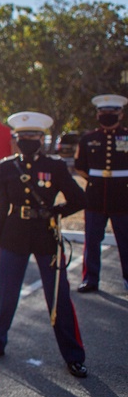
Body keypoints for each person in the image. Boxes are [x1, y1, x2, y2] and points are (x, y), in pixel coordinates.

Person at [0, 111, 88, 377]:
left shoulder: (55, 166)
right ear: (16, 138)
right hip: (13, 235)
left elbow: (78, 199)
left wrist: (55, 213)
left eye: (33, 136)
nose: (28, 140)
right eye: (23, 137)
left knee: (59, 296)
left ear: (42, 139)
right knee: (5, 293)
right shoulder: (7, 166)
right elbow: (1, 206)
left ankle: (74, 355)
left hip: (46, 235)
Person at [74, 94, 128, 293]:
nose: (107, 116)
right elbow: (80, 166)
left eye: (112, 112)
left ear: (120, 114)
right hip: (95, 196)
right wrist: (94, 180)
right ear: (98, 115)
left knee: (126, 240)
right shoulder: (89, 139)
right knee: (92, 240)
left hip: (123, 196)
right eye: (103, 112)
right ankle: (90, 278)